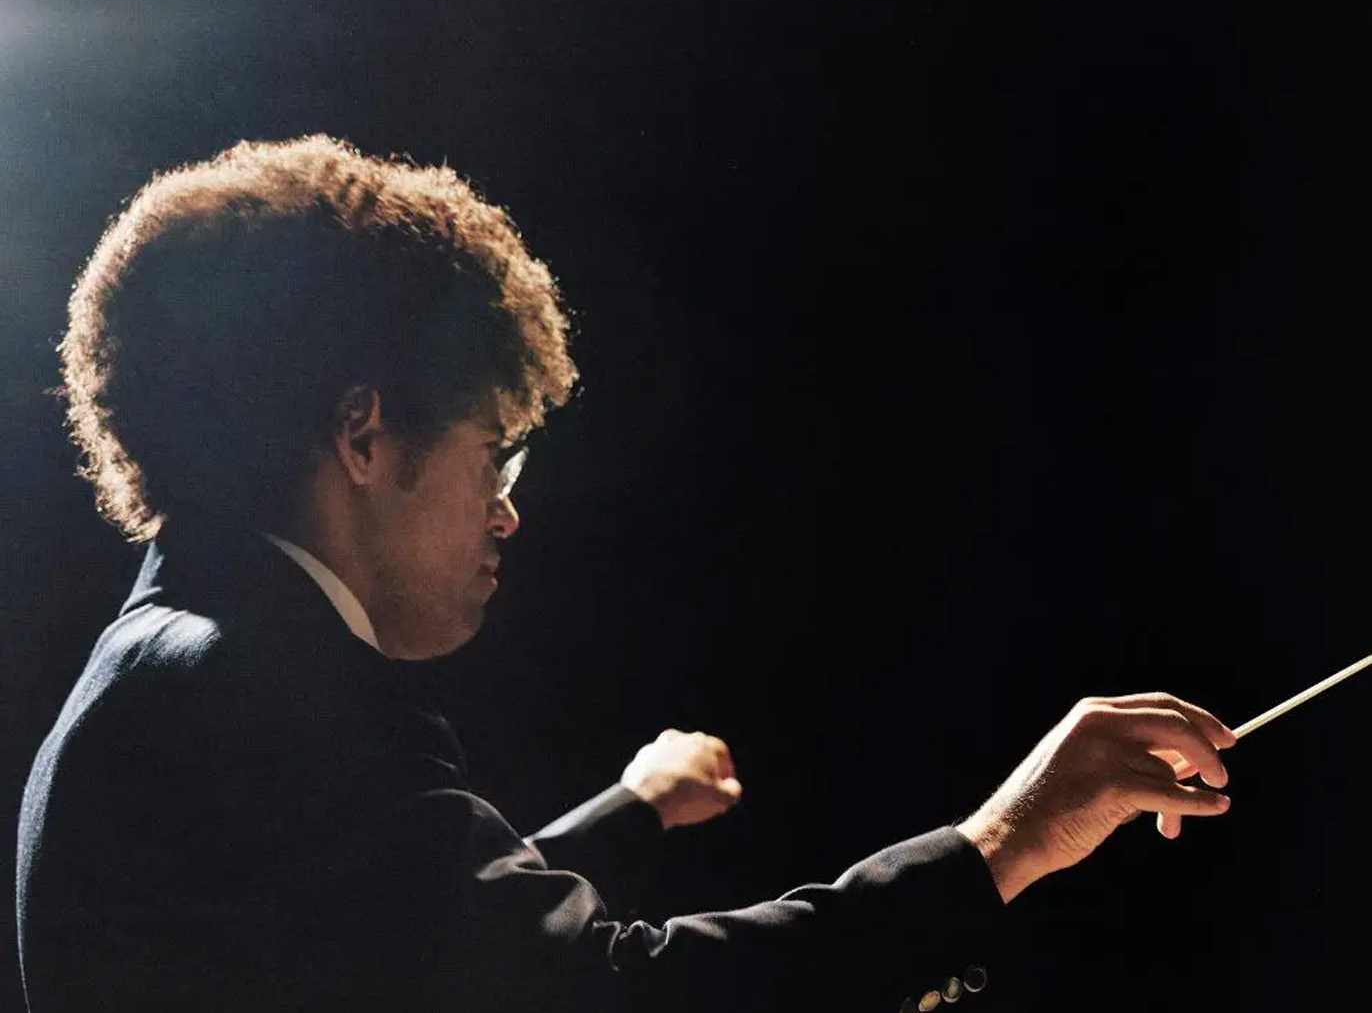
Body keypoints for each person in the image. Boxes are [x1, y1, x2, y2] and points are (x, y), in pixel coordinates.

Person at [17, 136, 1237, 1013]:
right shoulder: (267, 690)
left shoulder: (173, 660)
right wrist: (1003, 842)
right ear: (364, 434)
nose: (505, 509)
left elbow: (415, 945)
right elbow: (600, 995)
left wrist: (630, 810)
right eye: (494, 449)